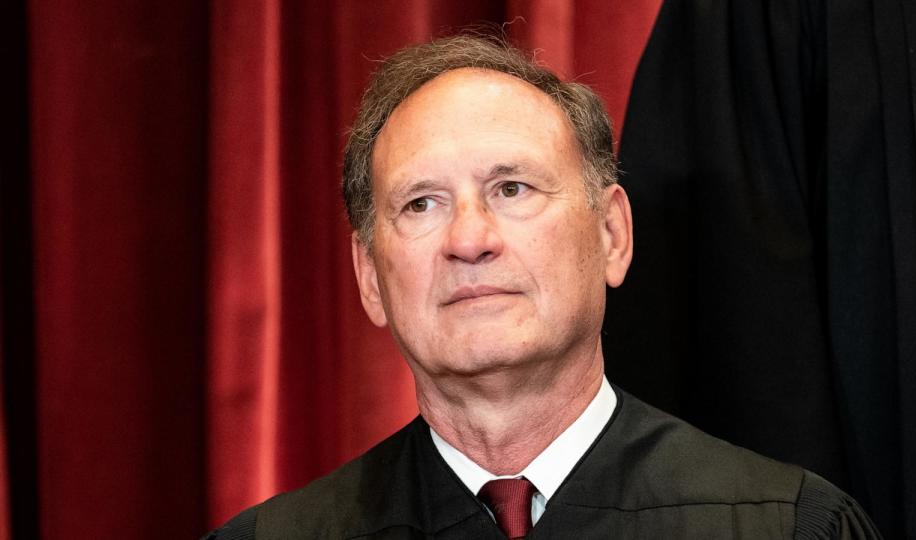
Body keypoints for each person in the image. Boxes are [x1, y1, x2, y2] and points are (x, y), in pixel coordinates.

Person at [204, 35, 881, 539]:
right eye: (421, 204)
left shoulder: (786, 527)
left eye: (512, 188)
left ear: (612, 233)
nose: (469, 239)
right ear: (369, 279)